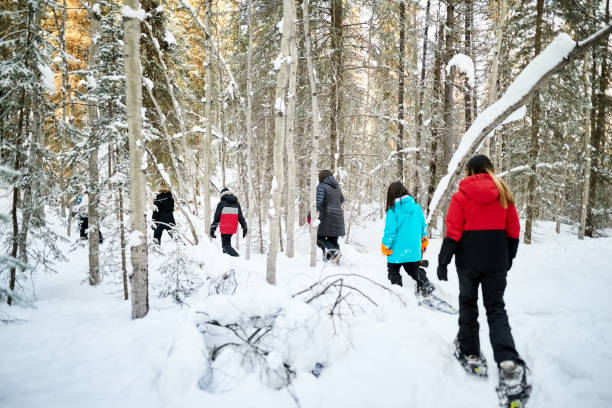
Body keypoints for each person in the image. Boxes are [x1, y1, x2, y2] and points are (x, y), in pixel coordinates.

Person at [436, 154, 527, 388]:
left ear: (469, 171)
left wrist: (443, 261)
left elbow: (454, 231)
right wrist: (508, 258)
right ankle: (507, 360)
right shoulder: (503, 193)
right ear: (490, 169)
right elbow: (514, 230)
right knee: (496, 308)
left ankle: (470, 353)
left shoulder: (461, 196)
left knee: (468, 304)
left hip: (468, 262)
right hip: (496, 261)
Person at [381, 182, 434, 296]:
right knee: (413, 269)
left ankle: (399, 295)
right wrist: (423, 240)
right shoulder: (417, 207)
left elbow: (390, 232)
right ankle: (425, 283)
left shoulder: (392, 211)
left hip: (397, 250)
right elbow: (422, 227)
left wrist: (385, 246)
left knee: (393, 271)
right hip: (413, 248)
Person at [315, 170, 345, 262]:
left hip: (327, 216)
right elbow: (342, 200)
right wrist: (334, 204)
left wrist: (310, 215)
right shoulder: (336, 187)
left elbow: (318, 202)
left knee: (318, 238)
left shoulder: (321, 186)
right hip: (338, 216)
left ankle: (334, 253)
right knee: (333, 240)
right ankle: (334, 259)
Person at [210, 188, 247, 257]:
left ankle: (236, 256)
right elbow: (241, 217)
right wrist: (245, 228)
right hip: (232, 228)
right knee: (227, 243)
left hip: (224, 227)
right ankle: (227, 260)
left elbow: (216, 218)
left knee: (225, 245)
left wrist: (212, 230)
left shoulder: (221, 203)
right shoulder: (236, 203)